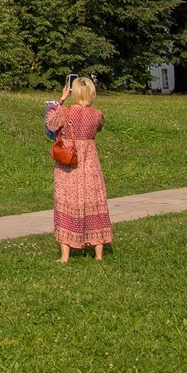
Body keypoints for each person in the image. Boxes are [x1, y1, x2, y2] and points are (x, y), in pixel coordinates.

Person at [46, 76, 113, 262]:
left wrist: (61, 99)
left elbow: (50, 123)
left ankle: (65, 256)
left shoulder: (65, 112)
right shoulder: (97, 114)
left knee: (67, 201)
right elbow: (98, 128)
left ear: (74, 92)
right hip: (90, 162)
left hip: (69, 164)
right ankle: (98, 254)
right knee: (94, 200)